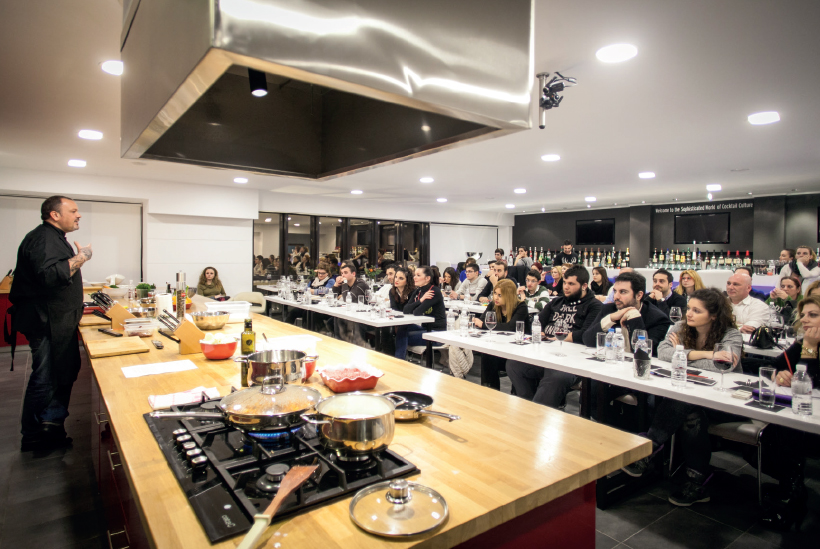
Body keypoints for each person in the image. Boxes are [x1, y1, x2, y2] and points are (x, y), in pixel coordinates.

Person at [621, 288, 742, 507]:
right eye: (689, 309)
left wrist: (682, 352)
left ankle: (650, 447)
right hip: (691, 397)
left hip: (725, 400)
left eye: (697, 310)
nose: (690, 314)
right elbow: (663, 352)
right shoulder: (681, 326)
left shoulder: (731, 334)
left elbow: (724, 364)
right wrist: (708, 353)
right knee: (690, 410)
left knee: (684, 400)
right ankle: (696, 480)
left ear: (713, 316)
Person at [10, 196, 92, 450]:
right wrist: (82, 256)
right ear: (55, 215)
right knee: (45, 378)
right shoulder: (44, 238)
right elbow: (50, 275)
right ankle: (34, 435)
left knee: (58, 374)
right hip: (45, 322)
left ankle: (51, 426)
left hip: (56, 321)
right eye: (73, 211)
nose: (79, 215)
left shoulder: (53, 238)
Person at [763, 296, 820, 530]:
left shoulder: (808, 343)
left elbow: (813, 381)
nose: (805, 320)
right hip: (802, 413)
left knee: (788, 434)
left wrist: (810, 349)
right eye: (803, 315)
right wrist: (779, 375)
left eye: (813, 315)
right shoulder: (802, 342)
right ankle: (792, 490)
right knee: (777, 432)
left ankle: (793, 496)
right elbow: (777, 365)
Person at [507, 266, 602, 407]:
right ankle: (529, 406)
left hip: (571, 360)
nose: (566, 287)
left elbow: (585, 334)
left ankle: (537, 411)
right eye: (565, 283)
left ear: (584, 286)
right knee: (514, 365)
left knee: (556, 376)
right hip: (545, 353)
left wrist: (556, 338)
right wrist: (541, 334)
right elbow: (538, 321)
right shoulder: (557, 302)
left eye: (571, 284)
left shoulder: (594, 306)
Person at [583, 271, 672, 351]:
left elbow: (643, 352)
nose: (616, 297)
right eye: (615, 291)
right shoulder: (609, 309)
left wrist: (634, 317)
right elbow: (587, 340)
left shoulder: (658, 319)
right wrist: (610, 318)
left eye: (623, 292)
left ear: (639, 295)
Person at [473, 279, 531, 389]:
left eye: (500, 295)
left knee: (492, 357)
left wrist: (484, 325)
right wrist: (479, 323)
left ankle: (515, 393)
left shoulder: (521, 307)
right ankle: (489, 389)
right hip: (500, 347)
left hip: (518, 351)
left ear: (508, 296)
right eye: (495, 293)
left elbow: (510, 328)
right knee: (487, 355)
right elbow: (482, 320)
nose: (496, 297)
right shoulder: (494, 305)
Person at [395, 266, 446, 360]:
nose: (415, 278)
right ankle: (399, 359)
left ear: (427, 278)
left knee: (402, 336)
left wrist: (418, 303)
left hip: (437, 333)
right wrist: (421, 300)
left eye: (418, 275)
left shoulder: (433, 291)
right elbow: (406, 310)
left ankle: (399, 361)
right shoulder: (418, 291)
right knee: (402, 327)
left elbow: (417, 312)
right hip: (425, 328)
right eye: (415, 275)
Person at [331, 261, 369, 345]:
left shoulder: (360, 284)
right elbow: (333, 297)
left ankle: (346, 343)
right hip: (350, 313)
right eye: (342, 273)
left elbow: (348, 299)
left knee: (340, 320)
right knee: (333, 320)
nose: (343, 275)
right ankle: (340, 343)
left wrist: (344, 284)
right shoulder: (345, 283)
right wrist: (336, 285)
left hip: (363, 316)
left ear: (353, 274)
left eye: (345, 273)